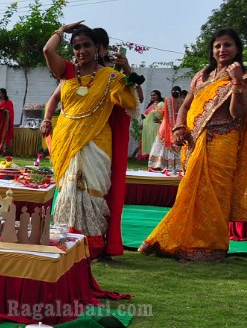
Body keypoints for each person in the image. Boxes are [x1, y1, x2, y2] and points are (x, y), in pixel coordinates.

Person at [140, 29, 247, 261]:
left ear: (237, 49)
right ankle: (183, 242)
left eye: (227, 45)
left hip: (223, 142)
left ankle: (210, 247)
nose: (222, 50)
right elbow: (185, 106)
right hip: (195, 142)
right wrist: (178, 127)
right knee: (189, 192)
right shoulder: (202, 76)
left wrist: (236, 81)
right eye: (217, 46)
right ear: (212, 50)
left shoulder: (246, 78)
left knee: (215, 195)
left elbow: (238, 113)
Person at [40, 22, 139, 254]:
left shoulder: (110, 76)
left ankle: (92, 245)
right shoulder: (67, 73)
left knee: (90, 188)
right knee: (68, 188)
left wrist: (128, 72)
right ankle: (65, 239)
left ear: (97, 48)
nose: (81, 50)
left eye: (86, 45)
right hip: (66, 138)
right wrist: (62, 30)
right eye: (76, 46)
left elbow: (130, 103)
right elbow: (47, 51)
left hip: (96, 140)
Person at [147, 86, 183, 172]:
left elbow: (166, 113)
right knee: (176, 143)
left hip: (166, 125)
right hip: (178, 125)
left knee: (162, 144)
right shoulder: (183, 101)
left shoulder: (168, 100)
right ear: (180, 93)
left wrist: (157, 110)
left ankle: (159, 164)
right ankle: (176, 166)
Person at [138, 90, 165, 162]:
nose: (152, 96)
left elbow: (165, 115)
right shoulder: (151, 105)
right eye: (151, 95)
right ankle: (149, 159)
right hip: (147, 128)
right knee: (148, 142)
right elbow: (147, 116)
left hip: (155, 127)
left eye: (154, 95)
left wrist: (160, 121)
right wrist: (142, 124)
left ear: (158, 96)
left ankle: (156, 159)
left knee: (154, 142)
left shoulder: (161, 104)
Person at [0, 88, 15, 156]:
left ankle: (2, 150)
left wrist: (5, 111)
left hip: (3, 122)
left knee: (2, 135)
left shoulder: (8, 102)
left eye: (0, 93)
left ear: (4, 94)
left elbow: (11, 112)